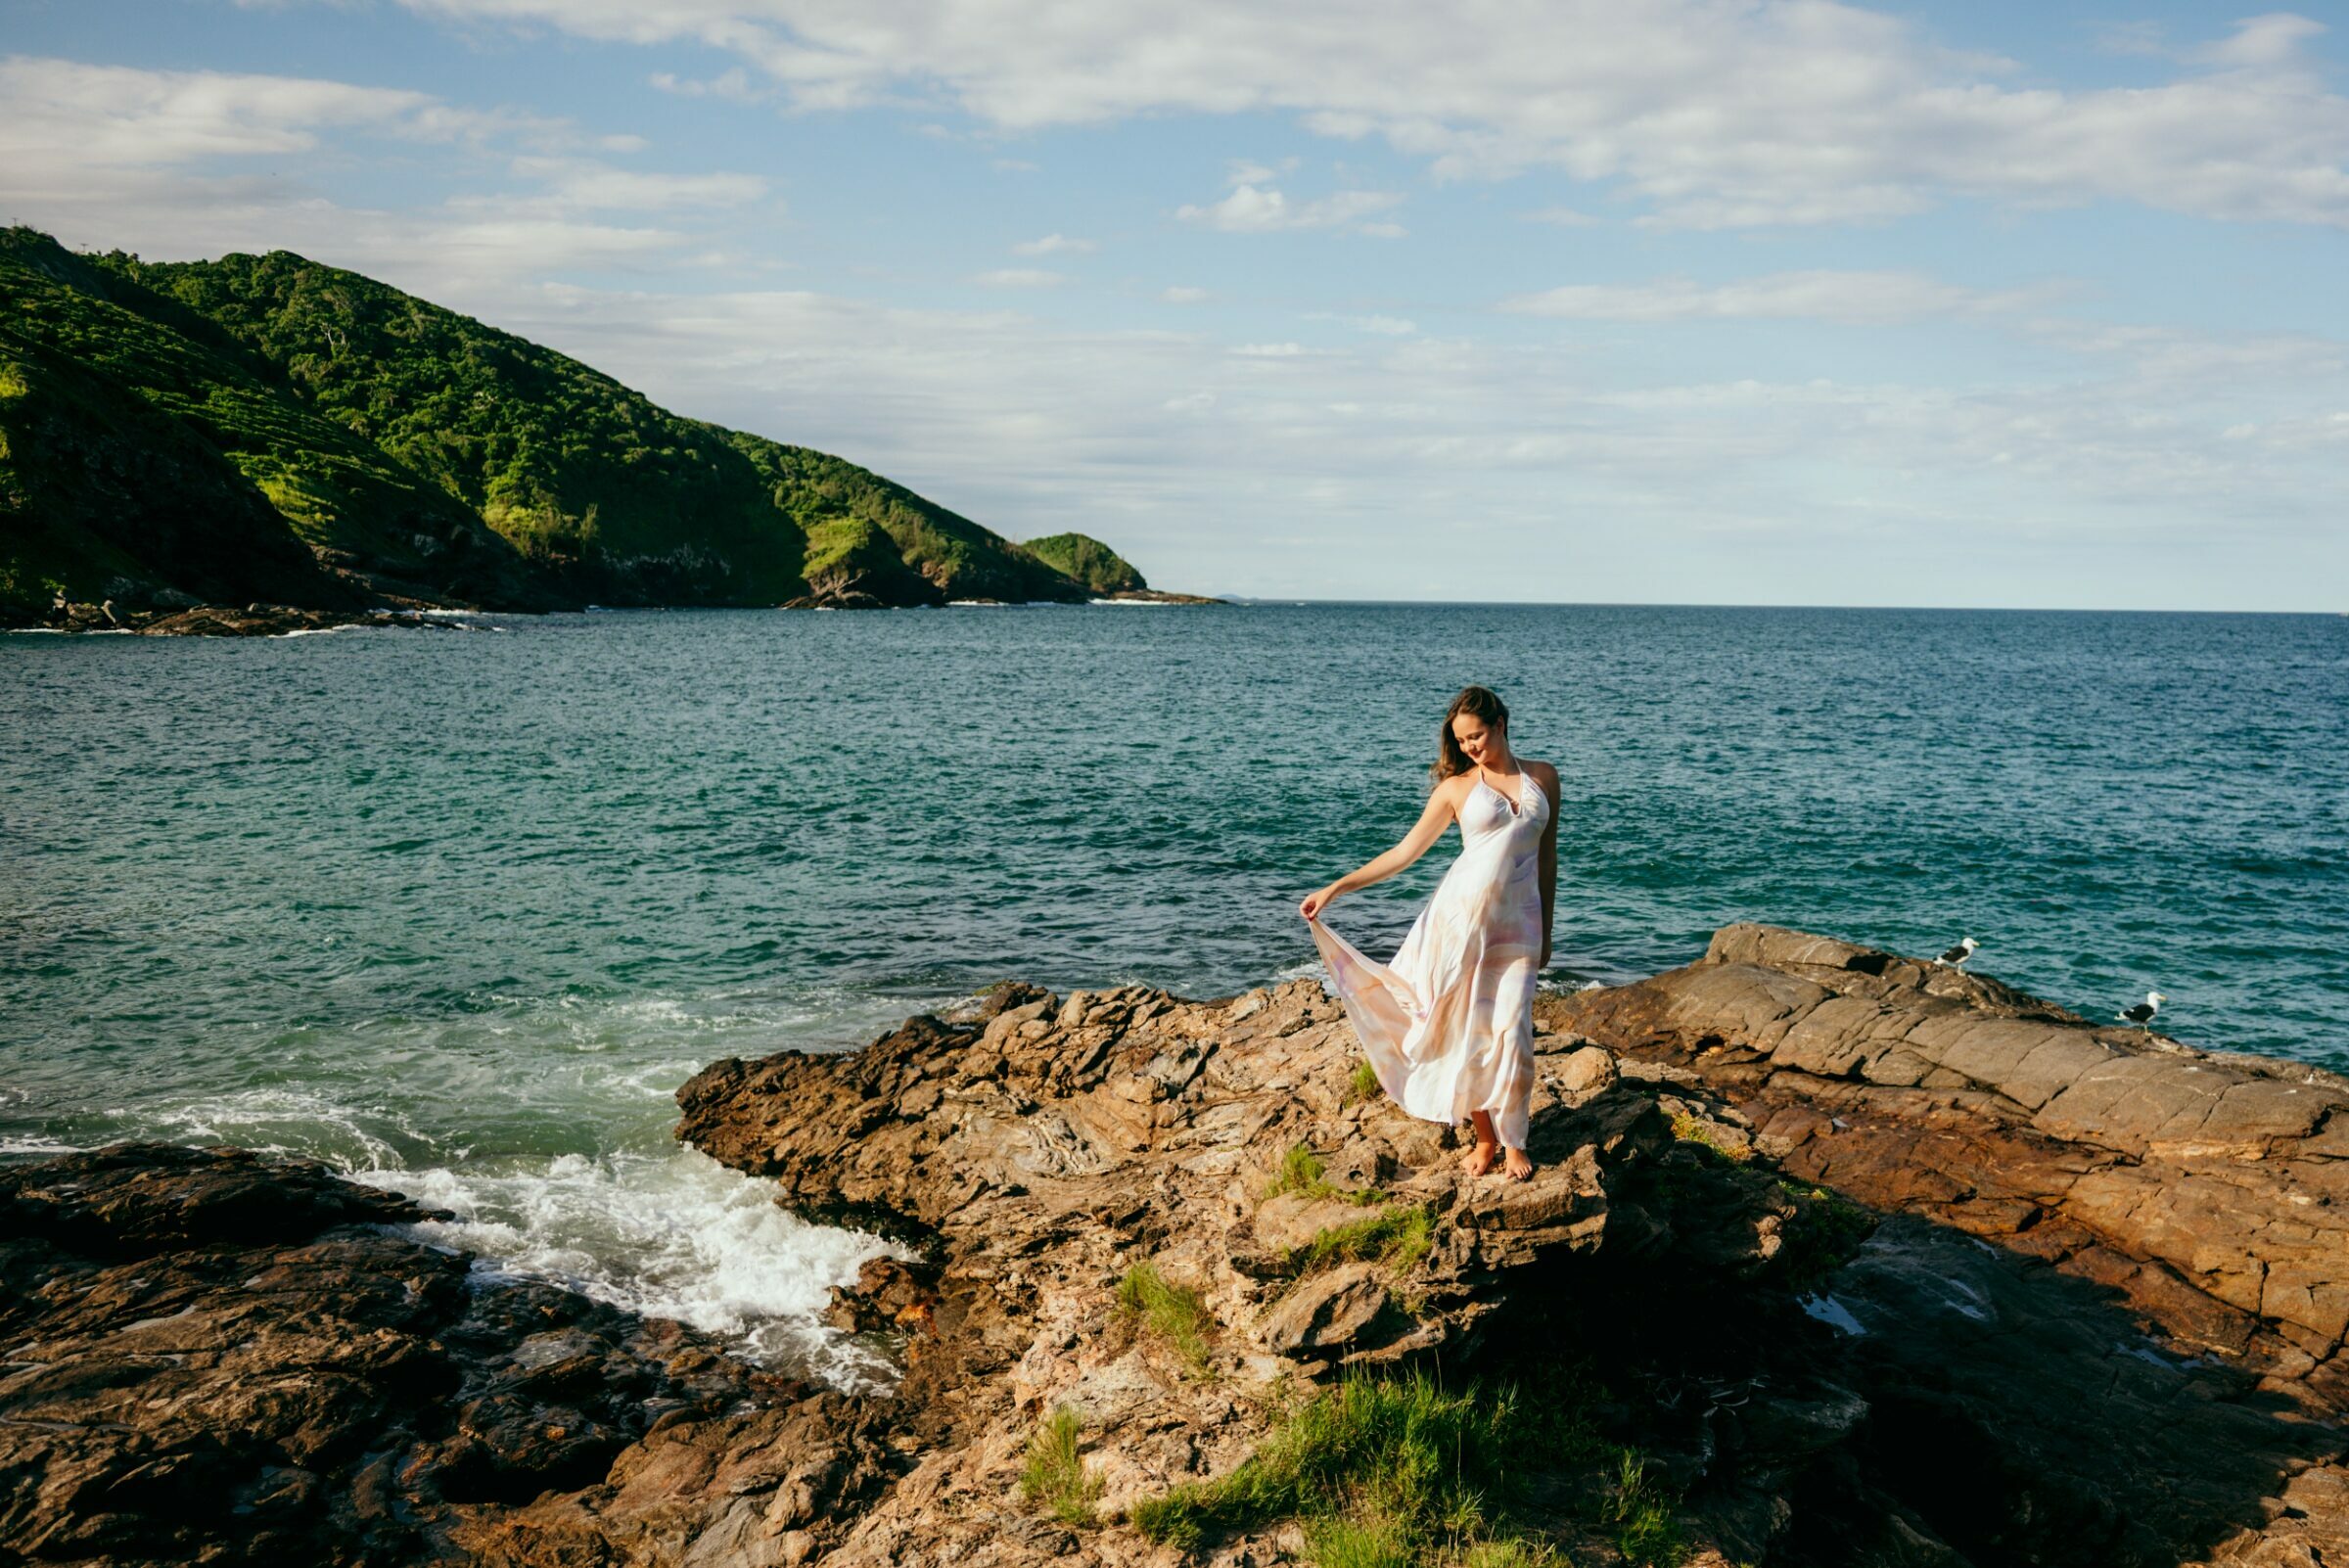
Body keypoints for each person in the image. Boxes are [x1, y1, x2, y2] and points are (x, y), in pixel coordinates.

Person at [1298, 685, 1558, 1181]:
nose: (1470, 748)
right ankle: (1487, 1139)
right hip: (1459, 924)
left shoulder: (1544, 777)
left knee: (1514, 1033)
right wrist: (1335, 888)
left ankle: (1515, 1142)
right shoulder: (1457, 789)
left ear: (1501, 723)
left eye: (1476, 736)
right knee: (1464, 1031)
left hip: (1519, 924)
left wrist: (1546, 928)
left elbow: (1548, 858)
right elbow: (1403, 854)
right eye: (1462, 742)